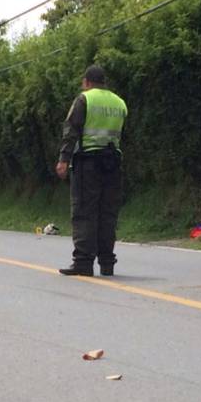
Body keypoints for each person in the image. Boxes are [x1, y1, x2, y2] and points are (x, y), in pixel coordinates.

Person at [56, 65, 127, 277]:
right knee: (107, 213)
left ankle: (83, 262)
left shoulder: (84, 99)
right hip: (113, 163)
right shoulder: (119, 103)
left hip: (88, 164)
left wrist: (63, 160)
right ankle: (107, 263)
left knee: (85, 211)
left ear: (87, 82)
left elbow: (71, 131)